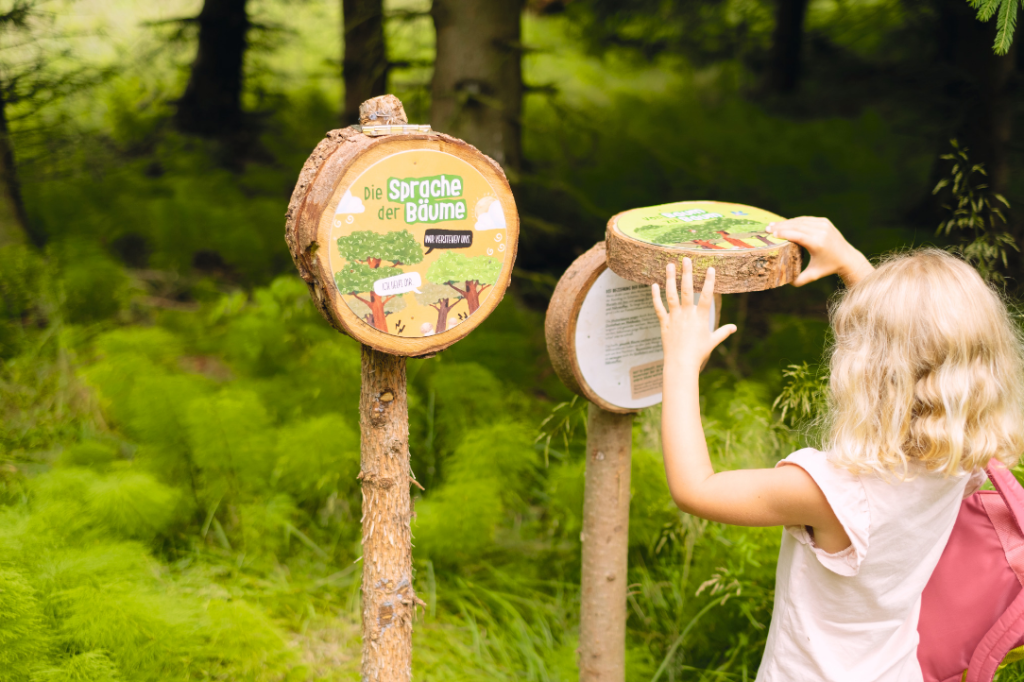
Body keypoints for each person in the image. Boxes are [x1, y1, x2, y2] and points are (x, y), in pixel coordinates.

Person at [651, 217, 1024, 682]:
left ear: (863, 371)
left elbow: (696, 489)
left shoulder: (833, 491)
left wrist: (680, 363)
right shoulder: (959, 457)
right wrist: (849, 261)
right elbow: (926, 345)